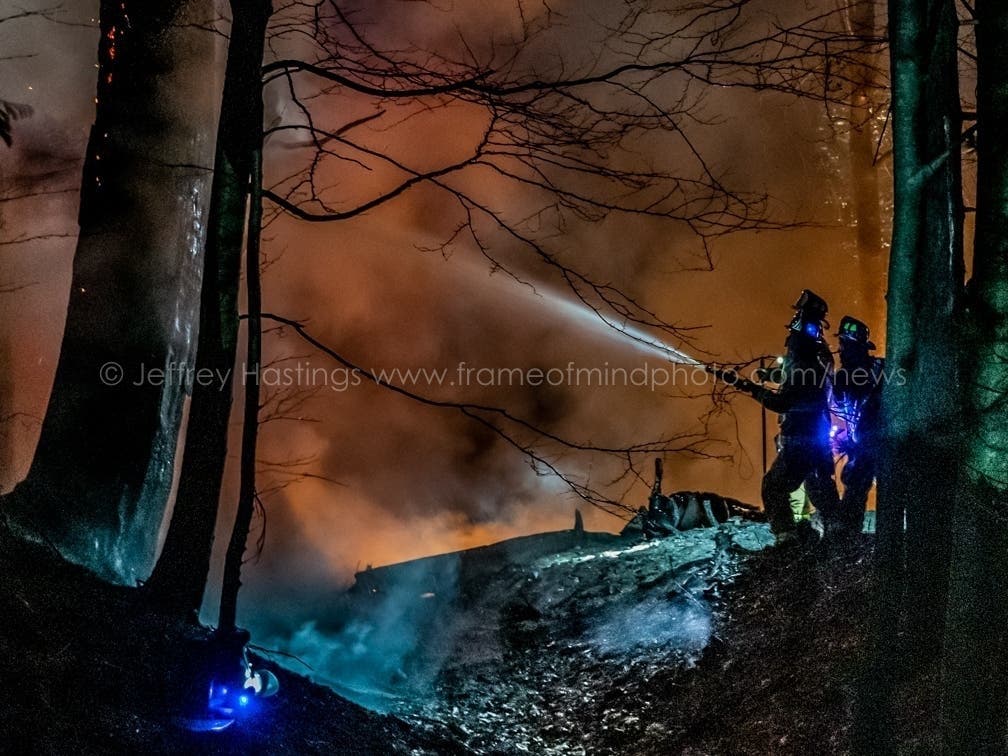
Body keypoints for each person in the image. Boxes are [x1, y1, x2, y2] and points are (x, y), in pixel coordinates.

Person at [742, 290, 841, 545]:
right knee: (819, 488)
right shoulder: (818, 357)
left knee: (773, 488)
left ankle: (787, 541)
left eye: (799, 316)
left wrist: (752, 389)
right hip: (815, 437)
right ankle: (839, 534)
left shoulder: (806, 357)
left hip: (799, 438)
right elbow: (798, 381)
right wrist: (771, 376)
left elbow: (785, 400)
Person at [831, 315, 884, 533]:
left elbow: (840, 401)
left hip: (871, 444)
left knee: (854, 486)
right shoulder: (883, 367)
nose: (840, 350)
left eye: (842, 344)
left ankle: (847, 538)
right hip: (885, 443)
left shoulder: (845, 376)